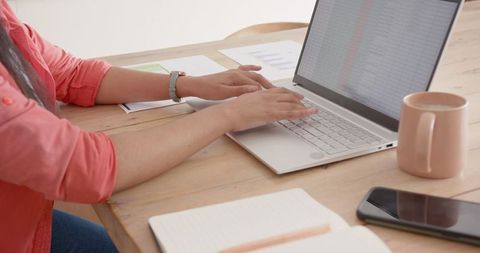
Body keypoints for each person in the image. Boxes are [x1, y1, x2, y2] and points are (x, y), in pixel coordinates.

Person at [0, 1, 317, 252]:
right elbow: (87, 167)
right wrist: (228, 115)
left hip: (26, 222)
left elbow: (71, 73)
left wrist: (187, 85)